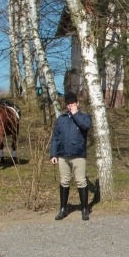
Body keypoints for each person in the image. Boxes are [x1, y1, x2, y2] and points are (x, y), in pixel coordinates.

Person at [50, 91, 93, 221]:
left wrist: (75, 114)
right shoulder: (61, 119)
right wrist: (53, 154)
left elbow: (85, 126)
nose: (70, 106)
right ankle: (63, 209)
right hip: (63, 155)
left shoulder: (85, 117)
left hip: (78, 155)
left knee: (81, 181)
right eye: (68, 104)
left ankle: (84, 209)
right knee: (64, 181)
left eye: (72, 103)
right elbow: (55, 138)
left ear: (77, 103)